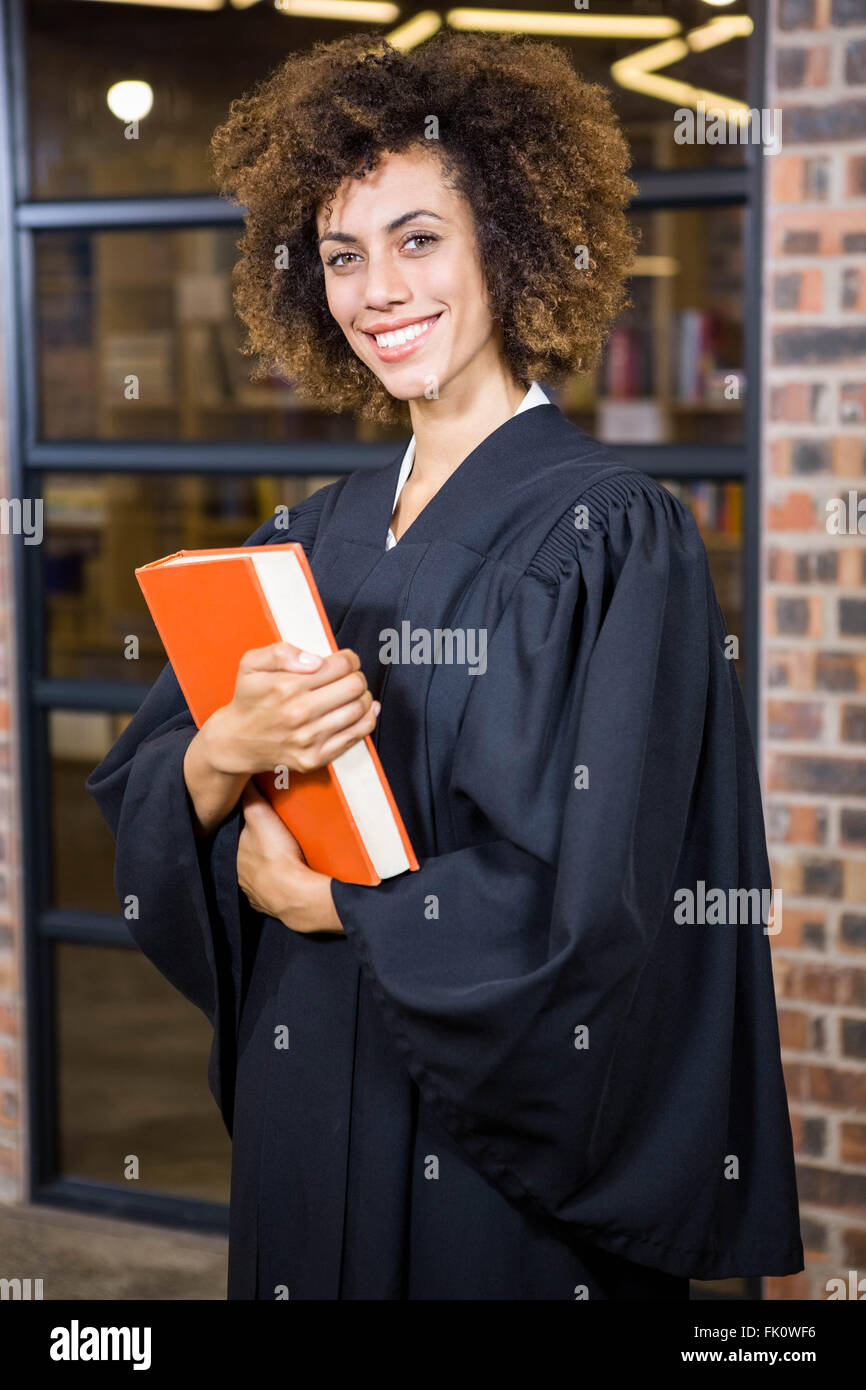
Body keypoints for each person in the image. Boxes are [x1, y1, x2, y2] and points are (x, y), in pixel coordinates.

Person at [86, 31, 803, 1300]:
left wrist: (338, 909)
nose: (377, 291)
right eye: (343, 255)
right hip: (305, 1091)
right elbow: (145, 810)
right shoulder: (303, 535)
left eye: (419, 240)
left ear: (509, 245)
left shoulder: (611, 534)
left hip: (493, 1162)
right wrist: (218, 754)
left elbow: (611, 904)